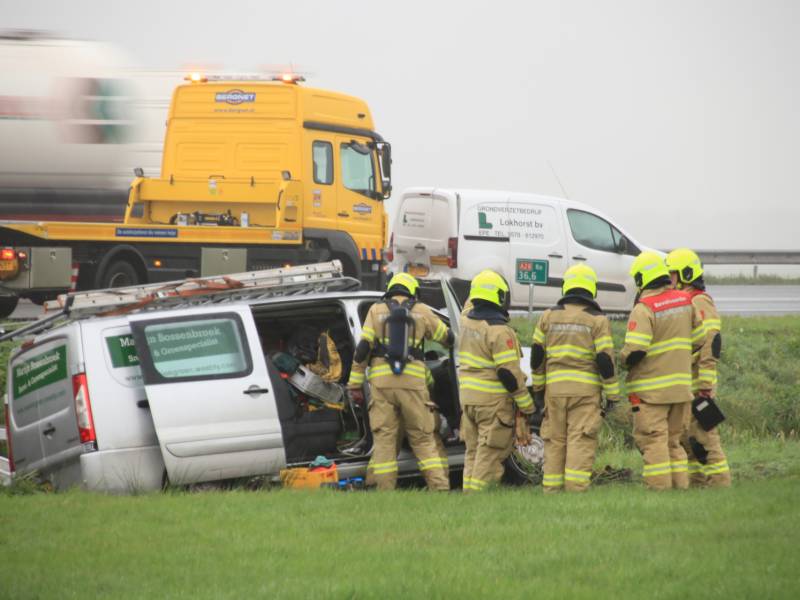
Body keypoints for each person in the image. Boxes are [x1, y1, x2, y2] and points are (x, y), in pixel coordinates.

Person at [347, 273, 453, 491]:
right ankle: (440, 488)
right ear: (413, 291)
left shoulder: (376, 310)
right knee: (422, 438)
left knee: (385, 440)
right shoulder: (421, 310)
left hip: (382, 384)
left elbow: (363, 349)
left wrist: (354, 384)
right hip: (412, 384)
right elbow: (446, 337)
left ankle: (384, 491)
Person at [621, 251, 707, 490]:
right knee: (674, 443)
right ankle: (680, 489)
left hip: (651, 392)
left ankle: (659, 491)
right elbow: (700, 340)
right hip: (681, 389)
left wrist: (622, 359)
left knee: (654, 441)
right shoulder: (685, 301)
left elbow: (636, 350)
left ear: (641, 278)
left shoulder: (644, 307)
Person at [531, 264, 621, 493]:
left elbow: (537, 357)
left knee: (554, 442)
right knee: (580, 441)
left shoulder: (547, 316)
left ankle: (551, 491)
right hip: (585, 393)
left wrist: (539, 392)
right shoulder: (597, 320)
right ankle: (576, 491)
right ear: (592, 289)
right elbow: (605, 361)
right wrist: (612, 395)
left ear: (566, 286)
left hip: (555, 391)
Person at [457, 270, 534, 492]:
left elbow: (468, 306)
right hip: (492, 404)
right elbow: (508, 374)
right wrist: (526, 404)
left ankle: (467, 497)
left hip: (468, 402)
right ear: (500, 296)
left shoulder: (465, 323)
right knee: (489, 456)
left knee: (472, 453)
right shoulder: (500, 332)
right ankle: (478, 501)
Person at [666, 248, 731, 487]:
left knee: (706, 438)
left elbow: (710, 344)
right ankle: (697, 482)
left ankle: (720, 484)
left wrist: (705, 385)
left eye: (672, 275)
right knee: (688, 439)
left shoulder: (699, 300)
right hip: (686, 382)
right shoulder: (684, 301)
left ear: (685, 274)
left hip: (698, 383)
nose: (669, 280)